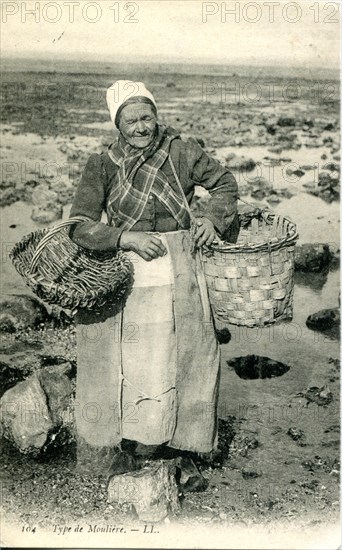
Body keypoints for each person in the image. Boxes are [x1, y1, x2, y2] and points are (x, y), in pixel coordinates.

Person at [69, 80, 238, 482]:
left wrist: (213, 219)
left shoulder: (181, 150)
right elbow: (79, 225)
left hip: (181, 269)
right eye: (132, 121)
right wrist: (124, 237)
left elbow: (225, 183)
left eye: (148, 117)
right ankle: (129, 444)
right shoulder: (103, 163)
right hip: (127, 273)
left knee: (184, 356)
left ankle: (186, 444)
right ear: (117, 124)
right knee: (133, 361)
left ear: (157, 115)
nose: (142, 128)